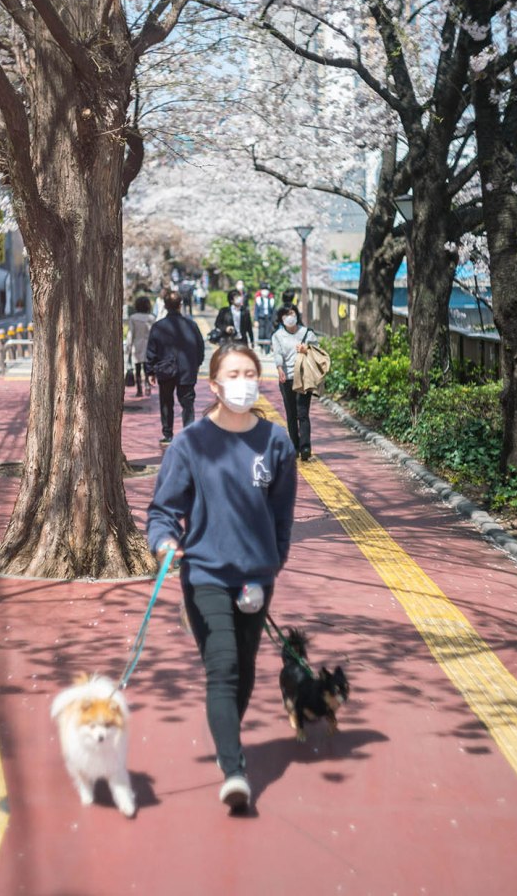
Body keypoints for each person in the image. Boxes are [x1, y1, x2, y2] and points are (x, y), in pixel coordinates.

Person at [147, 344, 297, 812]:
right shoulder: (191, 443)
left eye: (250, 373)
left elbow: (282, 514)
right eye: (233, 374)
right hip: (205, 573)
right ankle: (234, 770)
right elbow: (164, 510)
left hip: (256, 577)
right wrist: (164, 542)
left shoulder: (276, 442)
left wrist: (274, 560)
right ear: (214, 385)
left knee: (246, 669)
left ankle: (225, 735)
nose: (243, 382)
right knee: (224, 667)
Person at [145, 290, 205, 445]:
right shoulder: (191, 325)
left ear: (165, 306)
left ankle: (168, 434)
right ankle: (189, 432)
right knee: (187, 404)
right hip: (187, 370)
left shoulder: (158, 327)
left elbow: (151, 350)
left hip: (165, 370)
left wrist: (150, 371)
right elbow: (200, 347)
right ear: (180, 305)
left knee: (166, 402)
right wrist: (197, 364)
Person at [271, 303, 317, 461]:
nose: (289, 317)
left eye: (292, 313)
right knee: (291, 413)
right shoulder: (277, 336)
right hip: (287, 378)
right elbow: (278, 354)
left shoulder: (307, 333)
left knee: (302, 413)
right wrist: (279, 369)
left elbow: (317, 350)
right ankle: (294, 446)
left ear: (297, 315)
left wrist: (307, 349)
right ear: (281, 318)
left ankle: (305, 447)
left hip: (304, 377)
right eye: (286, 315)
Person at [126, 295, 155, 397]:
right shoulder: (152, 318)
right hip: (148, 346)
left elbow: (131, 334)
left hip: (136, 345)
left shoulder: (133, 318)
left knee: (137, 369)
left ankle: (139, 390)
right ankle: (147, 386)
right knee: (147, 367)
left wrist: (128, 348)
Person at [253, 282, 275, 353]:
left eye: (266, 289)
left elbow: (273, 311)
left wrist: (274, 321)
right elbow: (256, 311)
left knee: (268, 334)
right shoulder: (258, 299)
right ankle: (261, 347)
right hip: (261, 318)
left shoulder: (271, 300)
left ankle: (267, 350)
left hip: (269, 319)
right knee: (261, 333)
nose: (265, 291)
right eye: (263, 289)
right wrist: (255, 320)